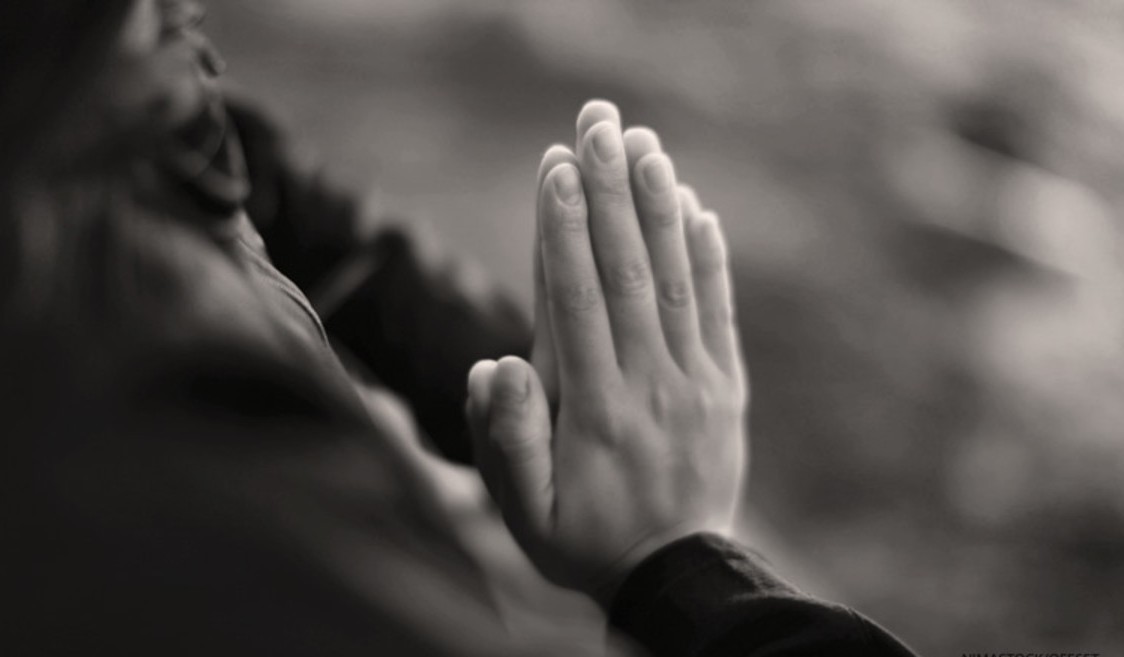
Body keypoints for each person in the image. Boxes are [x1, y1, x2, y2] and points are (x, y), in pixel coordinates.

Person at [2, 1, 918, 655]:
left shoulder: (92, 104)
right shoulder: (180, 457)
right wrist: (675, 565)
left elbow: (268, 193)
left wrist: (536, 388)